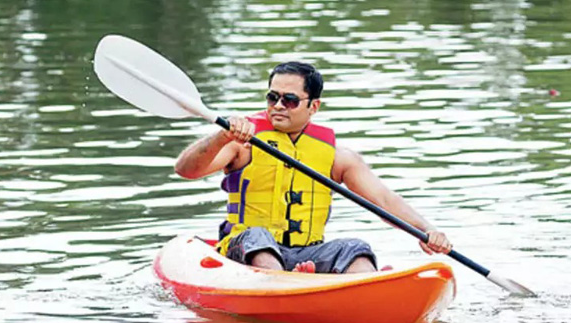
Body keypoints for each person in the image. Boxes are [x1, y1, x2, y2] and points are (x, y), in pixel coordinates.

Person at [175, 62, 452, 274]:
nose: (279, 106)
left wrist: (427, 231)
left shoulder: (337, 157)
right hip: (245, 249)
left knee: (355, 248)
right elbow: (186, 170)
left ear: (313, 106)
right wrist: (221, 135)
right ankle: (284, 284)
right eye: (273, 98)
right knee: (257, 237)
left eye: (290, 100)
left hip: (308, 251)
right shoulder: (242, 144)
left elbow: (384, 201)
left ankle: (363, 286)